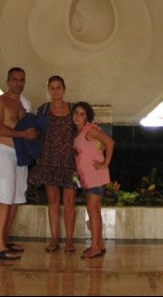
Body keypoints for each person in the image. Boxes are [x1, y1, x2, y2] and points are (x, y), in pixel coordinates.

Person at [0, 66, 39, 260]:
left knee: (16, 198)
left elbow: (30, 128)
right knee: (4, 198)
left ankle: (4, 239)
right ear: (8, 81)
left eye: (22, 80)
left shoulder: (22, 106)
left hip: (19, 155)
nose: (19, 83)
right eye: (15, 80)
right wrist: (22, 134)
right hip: (3, 152)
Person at [29, 75, 77, 253]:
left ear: (64, 90)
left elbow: (82, 131)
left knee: (70, 202)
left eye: (59, 88)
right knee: (53, 201)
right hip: (48, 161)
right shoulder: (42, 110)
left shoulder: (73, 109)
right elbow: (35, 133)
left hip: (70, 163)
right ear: (48, 90)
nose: (56, 91)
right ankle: (54, 239)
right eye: (52, 88)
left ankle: (70, 240)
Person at [72, 101, 114, 259]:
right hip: (86, 178)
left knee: (93, 210)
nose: (77, 117)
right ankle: (100, 245)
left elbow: (109, 142)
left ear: (87, 117)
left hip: (95, 177)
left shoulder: (89, 130)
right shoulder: (78, 133)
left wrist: (105, 163)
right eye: (76, 113)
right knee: (95, 210)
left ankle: (95, 247)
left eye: (82, 114)